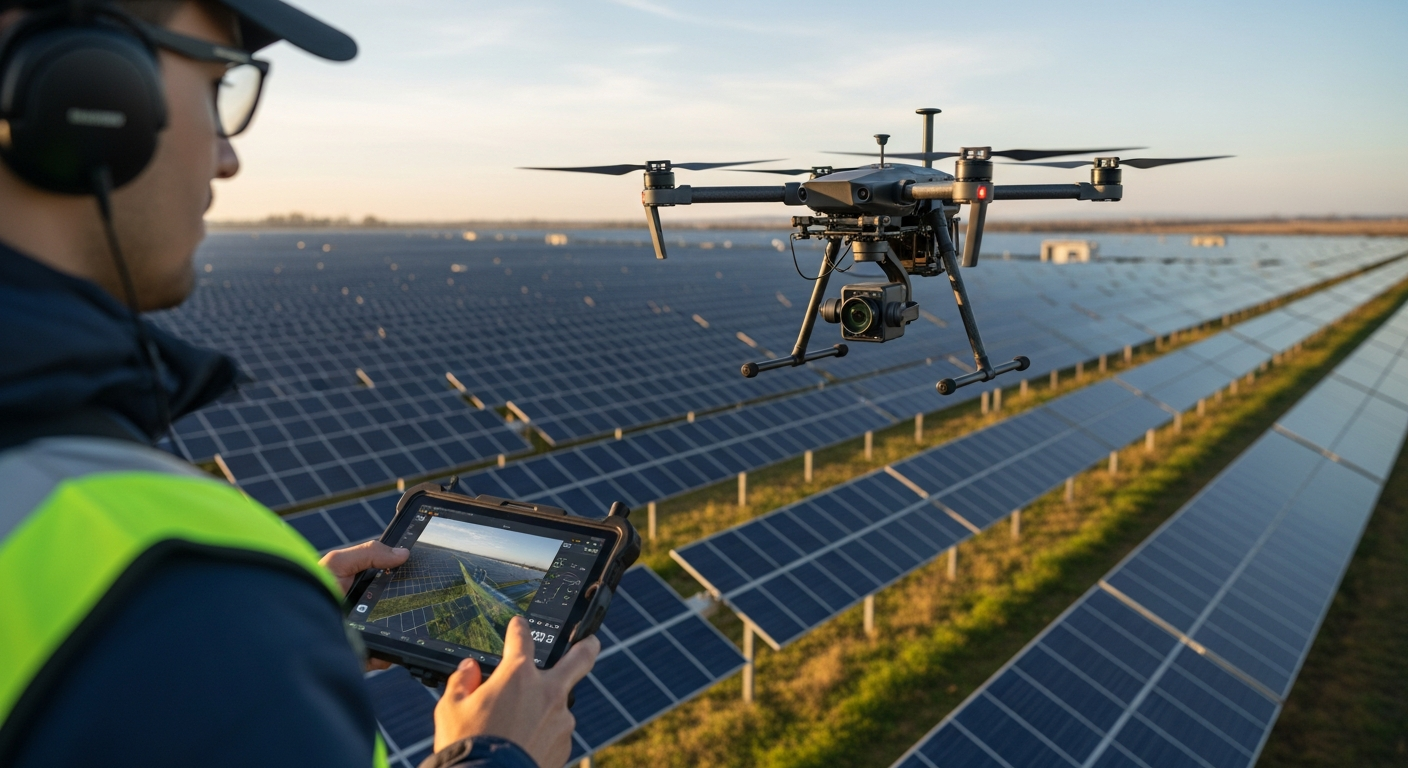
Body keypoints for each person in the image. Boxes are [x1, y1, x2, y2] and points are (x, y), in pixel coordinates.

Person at [0, 1, 598, 767]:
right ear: (86, 98)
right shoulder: (173, 596)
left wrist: (272, 635)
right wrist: (494, 754)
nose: (228, 159)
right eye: (217, 87)